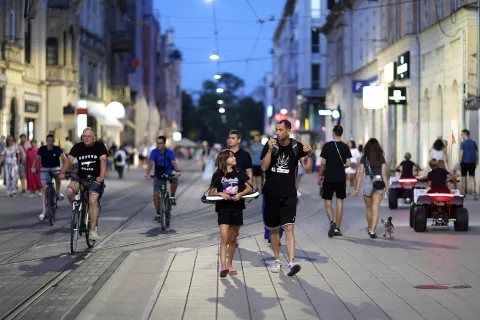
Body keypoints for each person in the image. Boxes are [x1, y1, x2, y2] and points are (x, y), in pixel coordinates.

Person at [261, 120, 313, 276]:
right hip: (271, 193)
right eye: (276, 129)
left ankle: (291, 262)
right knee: (274, 229)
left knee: (289, 227)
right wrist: (270, 151)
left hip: (289, 194)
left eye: (281, 130)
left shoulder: (296, 146)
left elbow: (308, 169)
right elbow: (264, 167)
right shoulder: (271, 144)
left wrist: (309, 155)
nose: (278, 132)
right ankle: (277, 260)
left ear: (288, 131)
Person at [208, 150, 252, 278]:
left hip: (237, 207)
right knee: (224, 238)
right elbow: (210, 192)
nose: (234, 158)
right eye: (231, 156)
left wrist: (240, 194)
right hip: (223, 208)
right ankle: (223, 267)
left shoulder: (239, 172)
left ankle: (230, 264)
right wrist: (220, 193)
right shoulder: (218, 174)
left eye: (233, 156)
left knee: (233, 239)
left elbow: (250, 187)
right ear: (224, 159)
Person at [58, 128, 107, 240]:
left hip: (95, 180)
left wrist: (101, 176)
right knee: (69, 191)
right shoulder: (78, 147)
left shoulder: (100, 146)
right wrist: (62, 172)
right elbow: (69, 160)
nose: (86, 138)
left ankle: (93, 229)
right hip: (81, 178)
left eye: (89, 136)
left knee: (92, 200)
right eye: (84, 136)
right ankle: (78, 208)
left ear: (94, 137)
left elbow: (103, 161)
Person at [318, 125, 352, 237]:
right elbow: (348, 164)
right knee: (340, 201)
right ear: (341, 133)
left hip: (328, 177)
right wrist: (341, 167)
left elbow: (323, 163)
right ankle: (337, 228)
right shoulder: (345, 147)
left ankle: (332, 221)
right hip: (340, 177)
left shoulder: (327, 146)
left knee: (328, 201)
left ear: (333, 133)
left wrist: (320, 175)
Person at [354, 138, 388, 239]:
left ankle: (370, 228)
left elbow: (360, 174)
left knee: (369, 208)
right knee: (376, 208)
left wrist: (357, 188)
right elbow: (384, 174)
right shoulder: (381, 158)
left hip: (368, 181)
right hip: (379, 181)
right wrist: (387, 188)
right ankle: (373, 231)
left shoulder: (364, 158)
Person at [145, 136, 182, 221]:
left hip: (169, 171)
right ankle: (158, 213)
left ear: (164, 144)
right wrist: (147, 173)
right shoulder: (154, 152)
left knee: (175, 179)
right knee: (155, 195)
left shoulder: (169, 152)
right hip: (158, 173)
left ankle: (172, 196)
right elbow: (151, 163)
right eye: (157, 143)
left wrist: (177, 171)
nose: (158, 145)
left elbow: (173, 162)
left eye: (160, 143)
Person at [32, 134, 67, 220]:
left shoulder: (57, 149)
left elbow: (64, 158)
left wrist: (64, 169)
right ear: (46, 141)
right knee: (44, 189)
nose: (50, 143)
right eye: (49, 141)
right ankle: (44, 211)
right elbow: (36, 159)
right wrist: (33, 167)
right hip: (44, 169)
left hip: (55, 168)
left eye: (52, 141)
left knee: (58, 177)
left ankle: (57, 193)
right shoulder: (42, 149)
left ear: (54, 141)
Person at [459, 129, 478, 198]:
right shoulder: (473, 142)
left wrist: (459, 162)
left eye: (462, 134)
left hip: (464, 163)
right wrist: (476, 161)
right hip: (472, 163)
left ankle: (463, 193)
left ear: (465, 134)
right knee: (472, 177)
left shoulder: (463, 143)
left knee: (463, 177)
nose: (461, 136)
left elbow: (461, 153)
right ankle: (474, 192)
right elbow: (476, 153)